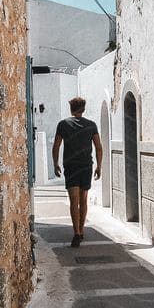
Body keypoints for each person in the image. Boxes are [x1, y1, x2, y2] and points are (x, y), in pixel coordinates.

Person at [51, 96, 103, 247]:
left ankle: (76, 233)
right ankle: (82, 230)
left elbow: (56, 145)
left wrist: (55, 163)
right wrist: (99, 166)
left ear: (71, 108)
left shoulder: (63, 124)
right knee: (83, 199)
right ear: (84, 109)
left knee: (74, 201)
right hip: (86, 166)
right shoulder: (91, 125)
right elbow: (98, 147)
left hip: (71, 166)